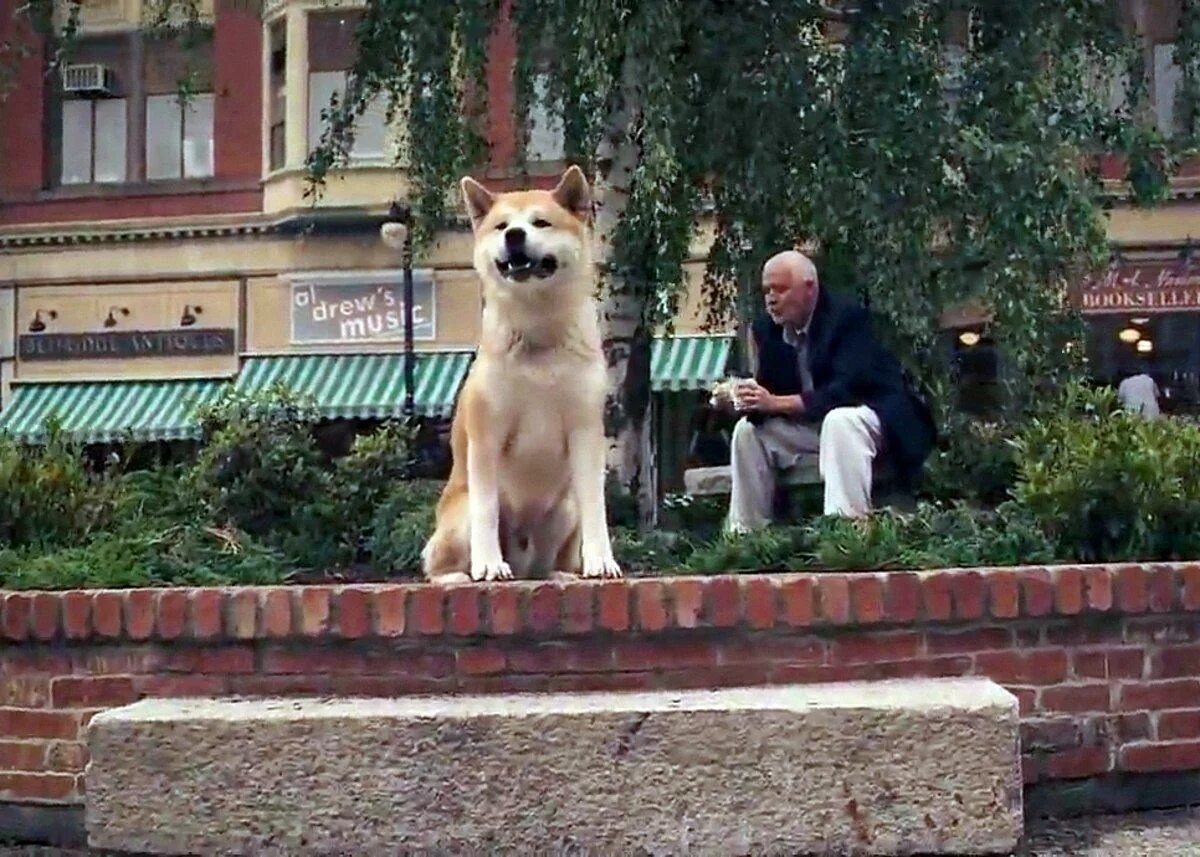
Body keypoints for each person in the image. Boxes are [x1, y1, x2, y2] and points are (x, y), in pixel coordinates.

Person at [723, 249, 937, 532]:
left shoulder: (848, 318)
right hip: (814, 429)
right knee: (747, 432)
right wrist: (741, 400)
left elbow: (847, 391)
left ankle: (845, 532)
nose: (771, 299)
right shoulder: (767, 330)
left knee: (839, 420)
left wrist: (774, 403)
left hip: (873, 422)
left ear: (809, 288)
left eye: (781, 289)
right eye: (767, 290)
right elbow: (770, 393)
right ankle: (745, 537)